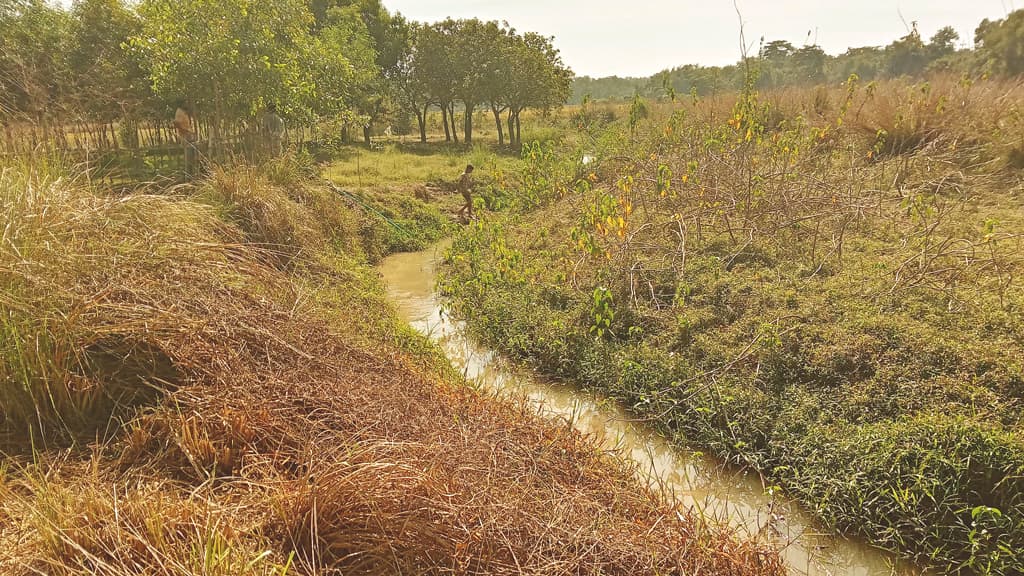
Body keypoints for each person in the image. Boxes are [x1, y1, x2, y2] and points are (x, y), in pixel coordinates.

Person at [173, 101, 198, 177]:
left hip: (188, 134)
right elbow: (176, 123)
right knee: (188, 156)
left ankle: (190, 174)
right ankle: (188, 175)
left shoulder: (184, 112)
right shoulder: (179, 112)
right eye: (186, 103)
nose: (187, 104)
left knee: (192, 156)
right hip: (185, 136)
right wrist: (185, 132)